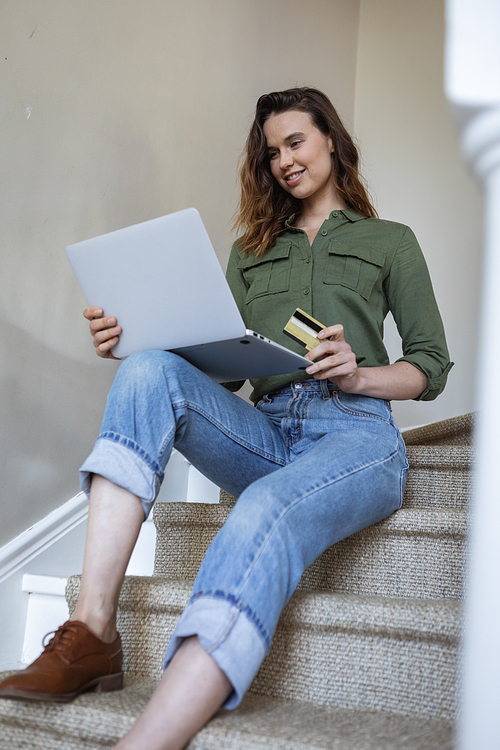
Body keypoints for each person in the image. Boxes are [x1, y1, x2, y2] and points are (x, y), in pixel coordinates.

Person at [0, 87, 452, 749]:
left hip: (355, 433)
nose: (284, 162)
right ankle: (94, 629)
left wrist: (358, 374)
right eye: (271, 153)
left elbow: (429, 364)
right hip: (266, 427)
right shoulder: (252, 250)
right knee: (148, 370)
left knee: (267, 504)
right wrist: (137, 339)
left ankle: (149, 740)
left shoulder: (390, 242)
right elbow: (226, 370)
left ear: (331, 139)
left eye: (295, 142)